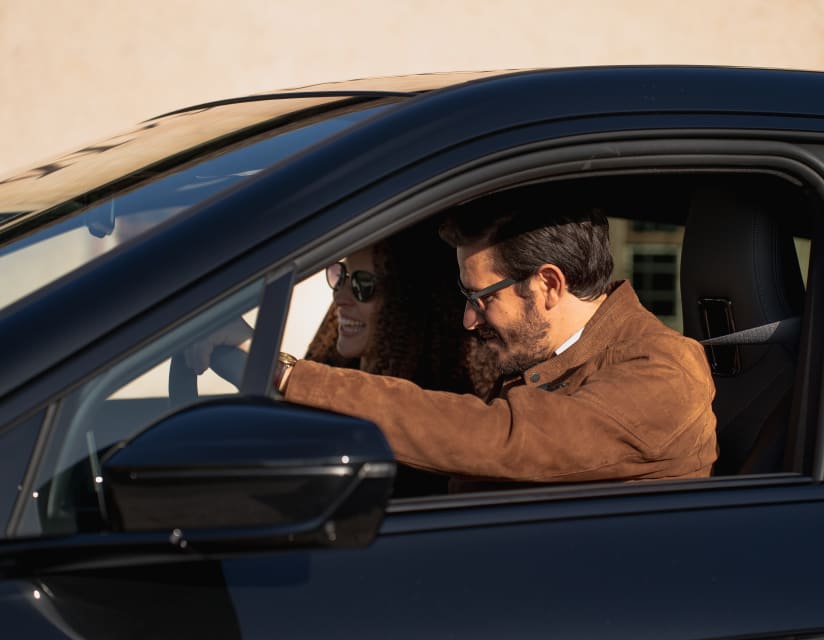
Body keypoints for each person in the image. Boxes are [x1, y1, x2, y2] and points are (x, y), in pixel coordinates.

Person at [276, 193, 718, 491]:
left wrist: (290, 378)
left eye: (481, 298)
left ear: (547, 285)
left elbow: (500, 435)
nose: (468, 319)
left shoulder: (664, 372)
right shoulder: (546, 361)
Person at [301, 223, 499, 495]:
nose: (340, 296)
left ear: (405, 303)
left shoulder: (423, 425)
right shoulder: (339, 374)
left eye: (363, 285)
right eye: (340, 276)